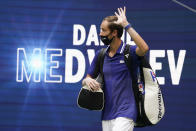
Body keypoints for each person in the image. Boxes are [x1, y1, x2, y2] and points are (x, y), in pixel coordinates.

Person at [82, 7, 149, 131]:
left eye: (103, 30)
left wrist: (126, 25)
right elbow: (87, 78)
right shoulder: (101, 55)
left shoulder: (130, 52)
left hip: (126, 112)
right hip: (107, 114)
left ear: (114, 33)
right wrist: (88, 81)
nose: (100, 33)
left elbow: (144, 48)